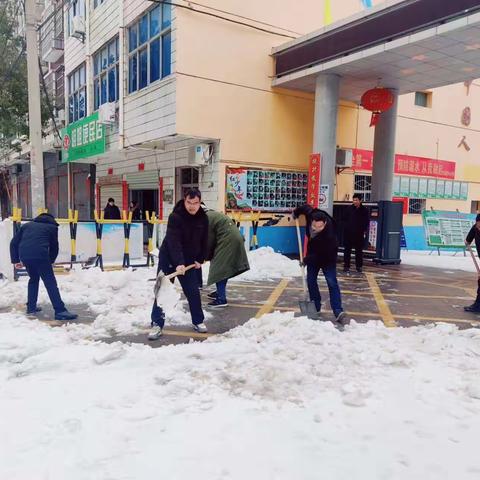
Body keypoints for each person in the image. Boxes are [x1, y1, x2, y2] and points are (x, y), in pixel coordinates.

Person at [149, 188, 208, 340]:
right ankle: (156, 323)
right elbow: (173, 242)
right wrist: (178, 263)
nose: (192, 206)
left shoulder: (203, 218)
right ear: (184, 200)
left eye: (195, 203)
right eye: (189, 202)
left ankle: (198, 321)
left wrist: (200, 258)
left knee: (193, 291)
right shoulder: (176, 217)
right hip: (169, 257)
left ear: (199, 202)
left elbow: (205, 240)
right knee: (162, 290)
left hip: (188, 261)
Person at [9, 213, 78, 320]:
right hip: (40, 255)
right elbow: (54, 247)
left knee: (33, 279)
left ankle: (31, 308)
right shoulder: (52, 227)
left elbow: (13, 243)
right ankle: (60, 311)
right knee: (50, 282)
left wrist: (15, 260)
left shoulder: (27, 225)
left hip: (25, 256)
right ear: (51, 220)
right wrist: (50, 261)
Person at [293, 205, 347, 325]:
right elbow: (305, 208)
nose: (315, 229)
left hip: (327, 257)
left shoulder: (330, 236)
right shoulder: (311, 214)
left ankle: (338, 311)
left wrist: (306, 260)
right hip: (313, 253)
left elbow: (322, 254)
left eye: (319, 227)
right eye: (313, 226)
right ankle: (315, 307)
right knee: (311, 281)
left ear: (325, 224)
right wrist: (296, 213)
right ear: (311, 220)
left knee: (331, 282)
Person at [204, 208, 250, 307]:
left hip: (227, 241)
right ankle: (219, 292)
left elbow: (208, 240)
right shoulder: (213, 214)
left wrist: (205, 255)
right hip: (233, 238)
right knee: (223, 268)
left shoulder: (206, 217)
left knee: (219, 268)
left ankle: (221, 299)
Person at [343, 193, 369, 273]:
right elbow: (344, 219)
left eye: (356, 200)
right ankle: (346, 266)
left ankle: (359, 266)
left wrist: (364, 230)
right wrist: (346, 228)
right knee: (347, 250)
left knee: (359, 251)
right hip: (349, 233)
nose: (354, 202)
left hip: (359, 233)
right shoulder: (349, 209)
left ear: (360, 200)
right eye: (353, 200)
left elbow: (366, 221)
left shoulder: (364, 210)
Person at [464, 214, 480, 312]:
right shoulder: (475, 228)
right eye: (478, 223)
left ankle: (478, 306)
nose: (479, 226)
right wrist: (467, 241)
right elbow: (468, 239)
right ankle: (478, 305)